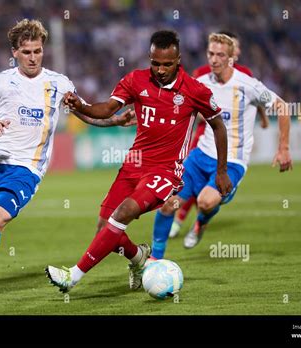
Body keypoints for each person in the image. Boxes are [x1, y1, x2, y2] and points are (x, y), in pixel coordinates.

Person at [0, 19, 134, 302]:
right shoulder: (0, 81)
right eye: (27, 52)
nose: (33, 57)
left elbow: (85, 114)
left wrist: (116, 121)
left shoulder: (58, 83)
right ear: (15, 52)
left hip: (26, 169)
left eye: (38, 51)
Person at [45, 30, 232, 293]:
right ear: (149, 58)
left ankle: (72, 276)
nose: (161, 69)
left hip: (166, 171)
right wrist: (80, 105)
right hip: (134, 165)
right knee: (104, 227)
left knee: (123, 213)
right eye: (156, 63)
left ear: (178, 60)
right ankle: (137, 257)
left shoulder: (195, 90)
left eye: (167, 64)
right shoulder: (135, 80)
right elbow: (107, 109)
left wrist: (221, 171)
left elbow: (219, 127)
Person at [150, 33, 292, 259]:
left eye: (220, 55)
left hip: (233, 161)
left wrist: (283, 147)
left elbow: (283, 107)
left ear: (231, 58)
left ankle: (201, 223)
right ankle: (154, 259)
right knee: (168, 203)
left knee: (206, 202)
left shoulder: (248, 85)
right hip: (200, 157)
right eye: (211, 54)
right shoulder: (201, 83)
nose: (214, 59)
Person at [168, 30, 270, 240]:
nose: (215, 58)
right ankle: (178, 220)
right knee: (186, 181)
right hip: (202, 135)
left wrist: (263, 116)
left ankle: (194, 221)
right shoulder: (202, 73)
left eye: (237, 46)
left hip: (228, 145)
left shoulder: (244, 74)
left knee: (207, 193)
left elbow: (256, 98)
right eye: (212, 53)